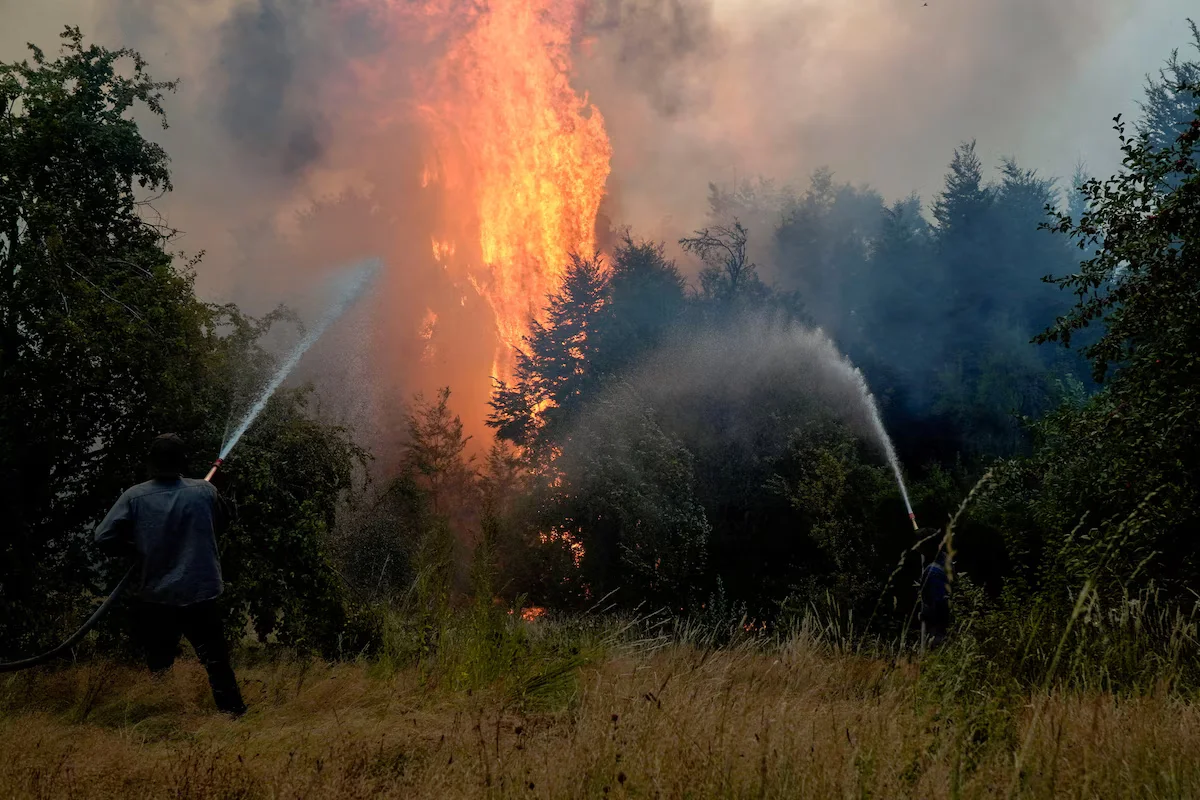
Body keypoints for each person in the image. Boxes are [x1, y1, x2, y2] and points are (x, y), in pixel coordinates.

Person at [95, 434, 247, 716]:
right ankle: (234, 715)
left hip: (158, 596)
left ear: (152, 463)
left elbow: (103, 537)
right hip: (200, 592)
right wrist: (217, 491)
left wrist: (135, 547)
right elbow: (223, 522)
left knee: (160, 664)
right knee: (216, 662)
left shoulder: (134, 496)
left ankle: (162, 716)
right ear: (182, 462)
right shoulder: (204, 491)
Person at [920, 550, 951, 649]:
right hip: (939, 609)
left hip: (932, 609)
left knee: (931, 638)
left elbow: (925, 592)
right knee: (938, 638)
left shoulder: (931, 569)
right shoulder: (940, 571)